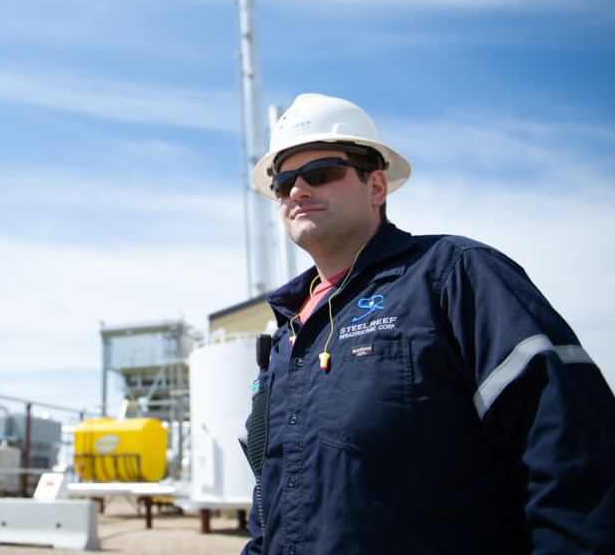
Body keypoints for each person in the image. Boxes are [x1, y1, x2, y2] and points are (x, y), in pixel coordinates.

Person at [239, 93, 615, 554]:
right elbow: (270, 502)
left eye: (320, 174)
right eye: (283, 182)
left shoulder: (454, 277)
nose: (297, 191)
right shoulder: (286, 337)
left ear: (375, 186)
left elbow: (575, 456)